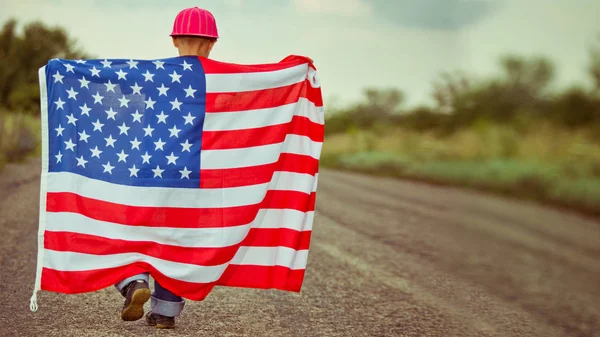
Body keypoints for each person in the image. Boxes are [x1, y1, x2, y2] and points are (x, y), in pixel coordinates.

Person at [115, 6, 219, 329]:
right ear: (212, 44)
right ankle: (165, 313)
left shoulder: (157, 73)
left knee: (131, 226)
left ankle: (133, 281)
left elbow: (120, 88)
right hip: (191, 176)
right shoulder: (220, 79)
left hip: (150, 168)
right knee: (176, 237)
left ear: (174, 40)